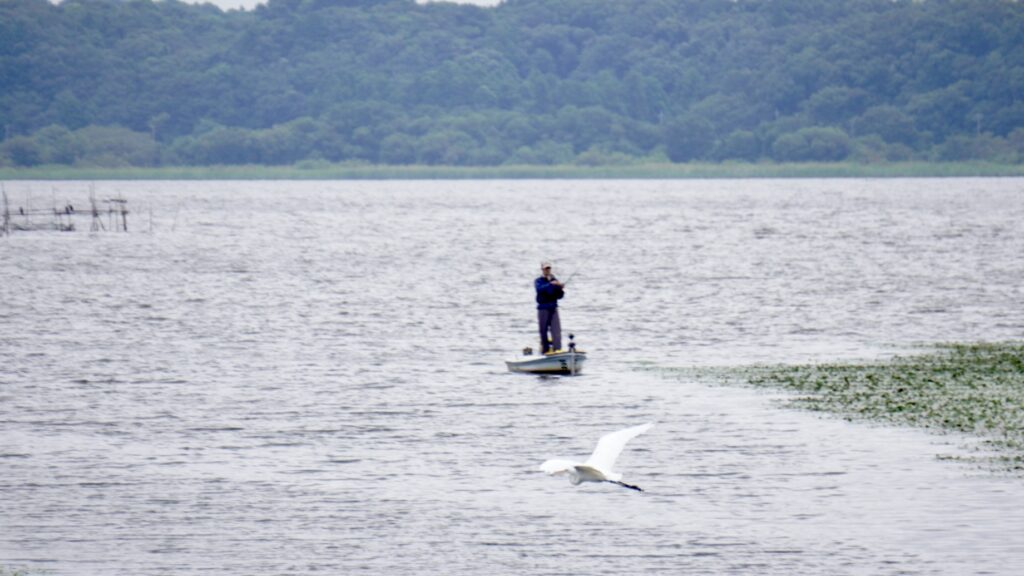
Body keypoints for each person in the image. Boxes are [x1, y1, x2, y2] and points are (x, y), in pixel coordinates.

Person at [535, 261, 565, 354]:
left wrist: (560, 288)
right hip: (543, 309)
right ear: (542, 269)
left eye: (549, 268)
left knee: (556, 331)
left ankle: (557, 351)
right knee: (543, 331)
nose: (547, 270)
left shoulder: (555, 280)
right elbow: (539, 289)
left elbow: (560, 296)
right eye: (546, 268)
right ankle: (545, 350)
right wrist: (551, 284)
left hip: (553, 308)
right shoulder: (538, 281)